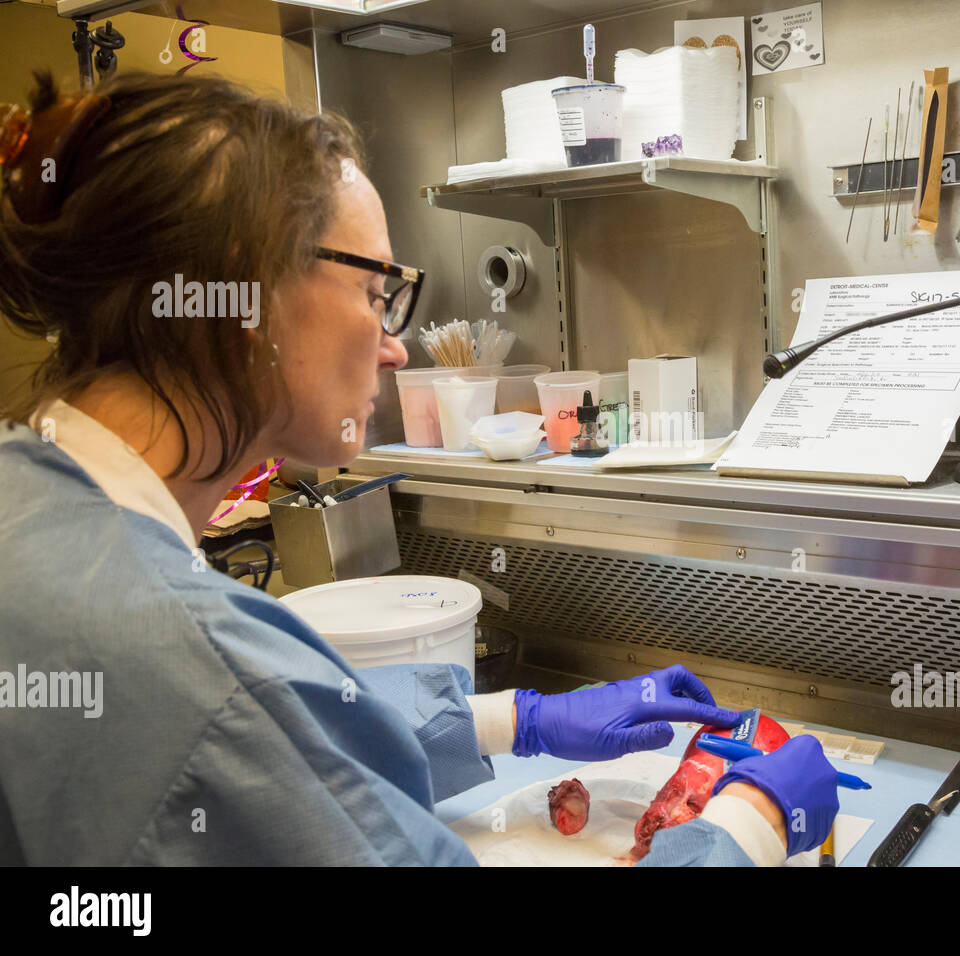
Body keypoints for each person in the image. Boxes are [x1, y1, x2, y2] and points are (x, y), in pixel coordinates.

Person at [0, 71, 839, 866]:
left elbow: (295, 733)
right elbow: (254, 723)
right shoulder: (209, 675)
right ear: (247, 294)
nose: (397, 347)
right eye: (377, 294)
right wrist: (749, 826)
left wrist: (516, 719)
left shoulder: (32, 503)